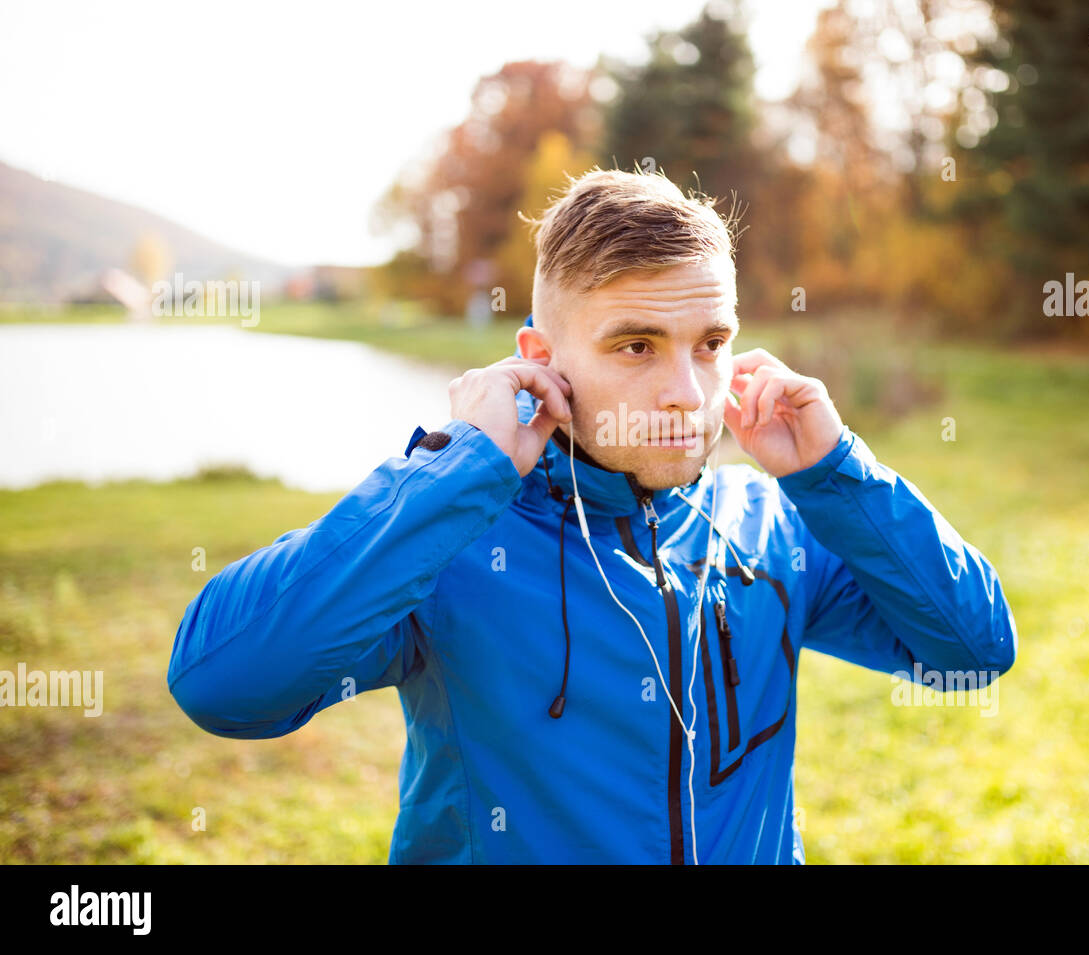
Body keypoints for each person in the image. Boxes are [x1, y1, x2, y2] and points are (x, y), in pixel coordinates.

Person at [168, 167, 1017, 864]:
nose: (688, 393)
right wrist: (455, 467)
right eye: (636, 345)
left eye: (711, 343)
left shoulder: (779, 524)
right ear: (539, 360)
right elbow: (223, 684)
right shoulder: (453, 543)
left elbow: (975, 650)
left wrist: (838, 475)